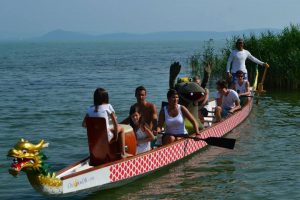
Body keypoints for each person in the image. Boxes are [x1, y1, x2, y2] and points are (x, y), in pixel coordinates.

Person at [82, 88, 132, 158]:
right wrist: (116, 135)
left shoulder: (90, 109)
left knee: (110, 128)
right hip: (106, 137)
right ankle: (123, 153)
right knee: (122, 129)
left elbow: (84, 124)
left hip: (95, 138)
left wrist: (96, 128)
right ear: (105, 97)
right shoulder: (108, 106)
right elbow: (115, 122)